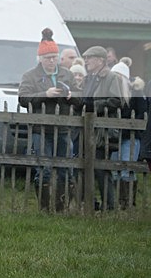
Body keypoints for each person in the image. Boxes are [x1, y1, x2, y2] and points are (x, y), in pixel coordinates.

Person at [17, 28, 79, 212]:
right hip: (41, 129)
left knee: (65, 169)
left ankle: (61, 207)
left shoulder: (67, 74)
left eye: (54, 57)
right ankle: (44, 208)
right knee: (43, 170)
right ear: (40, 59)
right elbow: (23, 98)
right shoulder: (30, 75)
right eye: (47, 58)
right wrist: (45, 94)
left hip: (64, 128)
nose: (51, 61)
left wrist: (70, 95)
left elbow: (81, 97)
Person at [81, 45, 125, 211]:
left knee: (101, 168)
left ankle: (110, 205)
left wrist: (94, 105)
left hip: (103, 131)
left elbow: (117, 100)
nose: (86, 61)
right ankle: (91, 204)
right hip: (89, 128)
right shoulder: (90, 77)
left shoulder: (111, 77)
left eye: (89, 58)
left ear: (100, 60)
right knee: (88, 167)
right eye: (85, 58)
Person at [110, 61, 143, 209]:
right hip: (114, 138)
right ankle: (117, 203)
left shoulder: (135, 94)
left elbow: (142, 116)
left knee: (127, 169)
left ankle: (128, 204)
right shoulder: (111, 94)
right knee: (114, 170)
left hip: (131, 137)